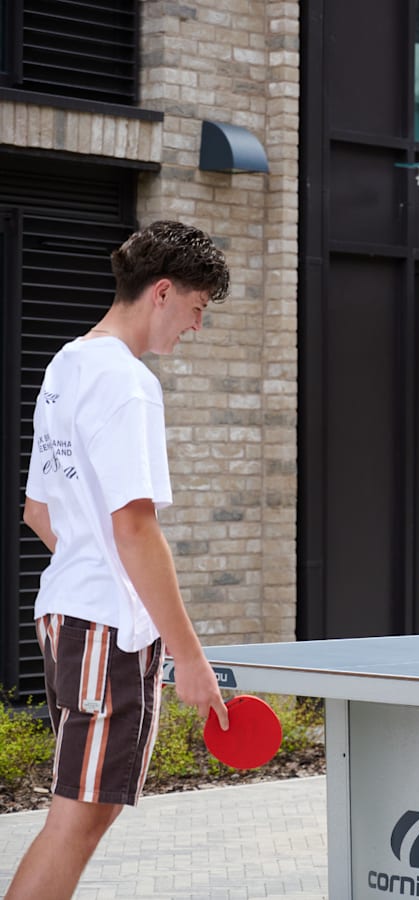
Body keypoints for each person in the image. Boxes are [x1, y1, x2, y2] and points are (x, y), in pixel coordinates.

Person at [7, 221, 233, 900]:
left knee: (86, 810)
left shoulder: (67, 364)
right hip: (104, 630)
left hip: (67, 614)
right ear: (162, 292)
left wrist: (97, 566)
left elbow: (39, 511)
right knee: (76, 819)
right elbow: (135, 528)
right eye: (197, 309)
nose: (195, 327)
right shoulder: (129, 384)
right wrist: (190, 656)